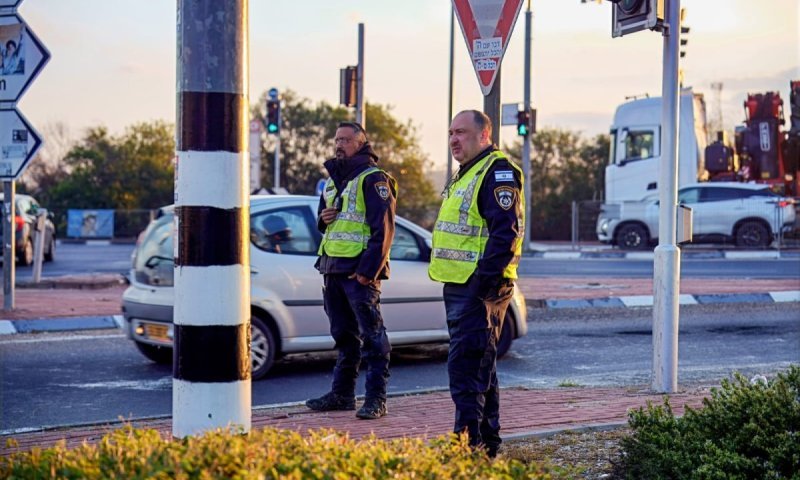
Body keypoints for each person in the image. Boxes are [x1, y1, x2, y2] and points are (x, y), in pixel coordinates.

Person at [428, 110, 525, 457]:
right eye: (451, 132)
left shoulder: (496, 171)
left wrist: (483, 283)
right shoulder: (466, 172)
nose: (454, 139)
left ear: (484, 135)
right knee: (480, 365)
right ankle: (487, 443)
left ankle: (465, 447)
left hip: (478, 288)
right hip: (460, 284)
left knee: (466, 369)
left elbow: (505, 234)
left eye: (462, 132)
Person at [305, 121, 397, 420]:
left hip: (358, 273)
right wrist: (324, 218)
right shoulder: (333, 179)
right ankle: (342, 395)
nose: (338, 144)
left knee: (373, 338)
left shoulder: (374, 179)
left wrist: (367, 272)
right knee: (344, 337)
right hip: (332, 268)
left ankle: (376, 400)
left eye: (345, 139)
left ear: (361, 143)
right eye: (336, 139)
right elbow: (327, 223)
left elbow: (382, 230)